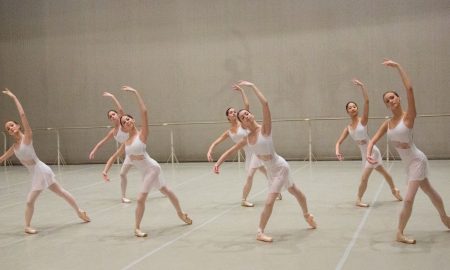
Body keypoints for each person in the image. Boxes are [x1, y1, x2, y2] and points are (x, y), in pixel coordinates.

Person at [214, 81, 316, 242]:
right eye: (242, 117)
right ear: (243, 123)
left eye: (246, 114)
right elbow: (231, 151)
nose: (246, 116)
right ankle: (307, 215)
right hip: (271, 171)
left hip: (280, 167)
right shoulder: (247, 139)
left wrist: (252, 86)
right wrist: (218, 163)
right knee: (294, 191)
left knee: (269, 201)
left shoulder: (265, 129)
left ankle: (260, 232)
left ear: (251, 116)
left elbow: (266, 104)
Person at [367, 59, 450, 244]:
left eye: (393, 97)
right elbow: (372, 140)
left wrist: (397, 67)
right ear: (387, 105)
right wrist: (368, 152)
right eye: (387, 100)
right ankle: (445, 218)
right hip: (408, 164)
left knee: (408, 199)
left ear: (399, 98)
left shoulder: (409, 116)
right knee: (430, 191)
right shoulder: (388, 123)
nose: (391, 100)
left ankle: (399, 232)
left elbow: (410, 89)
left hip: (417, 161)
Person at [102, 86, 192, 237]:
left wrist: (136, 93)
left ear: (133, 120)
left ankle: (137, 228)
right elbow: (115, 156)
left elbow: (144, 112)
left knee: (140, 198)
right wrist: (105, 170)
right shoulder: (126, 141)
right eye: (124, 121)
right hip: (146, 172)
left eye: (128, 119)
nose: (127, 121)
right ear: (123, 126)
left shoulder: (142, 134)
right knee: (166, 191)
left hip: (152, 168)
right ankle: (181, 213)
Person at [1, 89, 90, 234]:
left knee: (30, 200)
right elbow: (1, 159)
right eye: (7, 128)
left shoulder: (27, 137)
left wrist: (14, 97)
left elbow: (22, 115)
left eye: (11, 125)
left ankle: (27, 226)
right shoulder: (14, 147)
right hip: (38, 172)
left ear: (18, 126)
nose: (10, 128)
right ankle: (79, 211)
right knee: (61, 192)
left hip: (40, 171)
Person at [336, 79, 402, 207]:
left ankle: (358, 199)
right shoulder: (348, 128)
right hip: (364, 154)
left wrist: (362, 87)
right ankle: (394, 189)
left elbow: (367, 101)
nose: (353, 108)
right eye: (350, 107)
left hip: (372, 152)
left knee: (364, 178)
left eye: (354, 106)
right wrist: (337, 151)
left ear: (357, 109)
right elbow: (338, 142)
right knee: (383, 171)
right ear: (347, 111)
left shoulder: (363, 121)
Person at [207, 84, 274, 207]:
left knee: (267, 173)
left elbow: (246, 106)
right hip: (250, 155)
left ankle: (274, 190)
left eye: (234, 112)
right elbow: (217, 142)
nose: (233, 113)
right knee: (251, 176)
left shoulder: (243, 124)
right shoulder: (229, 132)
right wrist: (210, 151)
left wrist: (242, 91)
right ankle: (244, 199)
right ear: (228, 117)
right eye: (231, 112)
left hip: (256, 151)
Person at [88, 92, 132, 203]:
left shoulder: (123, 122)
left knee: (153, 169)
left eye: (113, 114)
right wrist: (94, 150)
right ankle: (123, 196)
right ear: (110, 120)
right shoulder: (113, 132)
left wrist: (112, 97)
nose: (112, 116)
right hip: (128, 149)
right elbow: (102, 143)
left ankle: (162, 187)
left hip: (137, 147)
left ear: (118, 115)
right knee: (121, 172)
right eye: (110, 116)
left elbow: (121, 109)